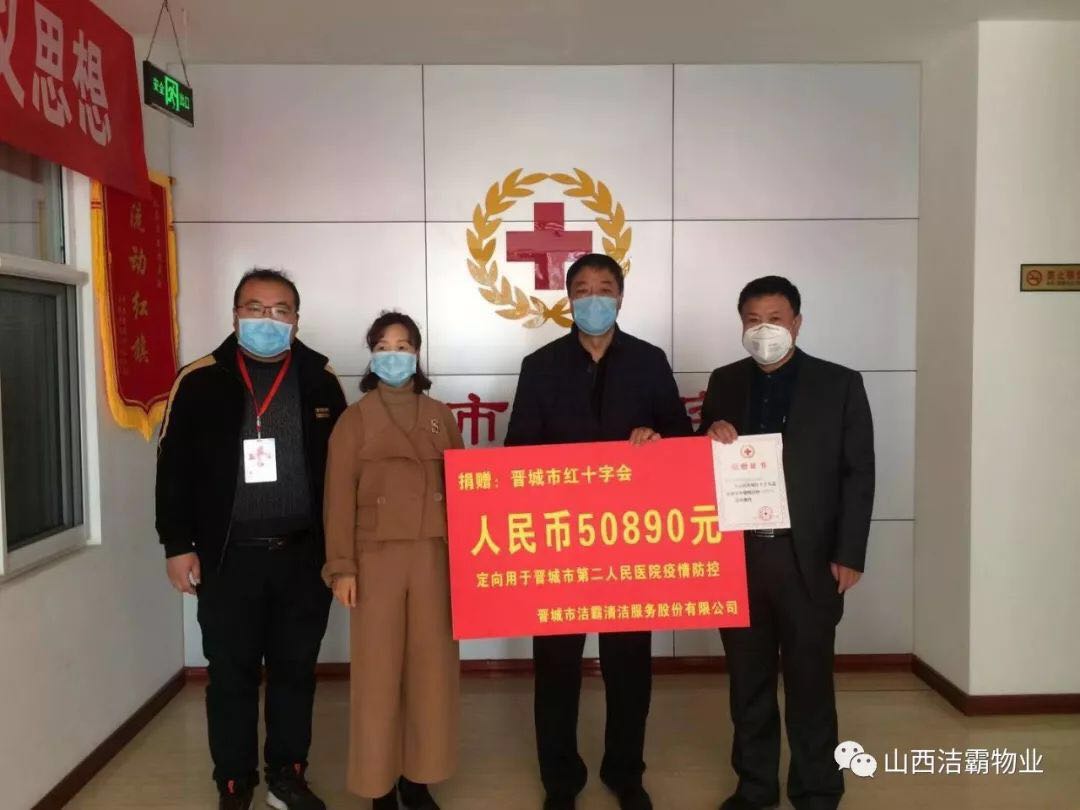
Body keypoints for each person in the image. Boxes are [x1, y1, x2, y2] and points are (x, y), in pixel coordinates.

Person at [505, 253, 693, 810]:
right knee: (556, 670)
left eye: (604, 288)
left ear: (620, 297)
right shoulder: (540, 365)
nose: (593, 299)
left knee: (629, 667)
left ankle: (625, 772)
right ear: (568, 299)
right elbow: (516, 453)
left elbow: (681, 440)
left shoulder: (649, 361)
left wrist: (655, 440)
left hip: (629, 541)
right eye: (582, 289)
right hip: (559, 542)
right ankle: (560, 781)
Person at [156, 268, 346, 810]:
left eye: (281, 310)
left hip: (302, 556)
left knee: (295, 672)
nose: (268, 319)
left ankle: (287, 774)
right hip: (227, 558)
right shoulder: (200, 380)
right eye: (256, 308)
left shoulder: (320, 379)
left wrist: (341, 552)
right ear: (235, 315)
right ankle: (235, 781)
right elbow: (172, 469)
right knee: (231, 675)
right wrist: (177, 544)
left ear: (297, 320)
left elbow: (344, 472)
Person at [700, 276, 875, 810]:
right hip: (740, 556)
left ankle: (817, 787)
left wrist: (849, 553)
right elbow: (702, 465)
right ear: (741, 325)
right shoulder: (725, 381)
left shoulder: (839, 383)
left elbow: (858, 473)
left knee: (810, 680)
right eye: (753, 320)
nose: (764, 330)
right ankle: (755, 786)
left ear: (797, 323)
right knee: (747, 681)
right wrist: (709, 436)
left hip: (810, 558)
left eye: (775, 319)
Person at [322, 312, 463, 810]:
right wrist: (341, 567)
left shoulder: (440, 415)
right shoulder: (354, 420)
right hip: (375, 560)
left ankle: (419, 779)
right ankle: (379, 784)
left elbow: (465, 492)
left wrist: (470, 565)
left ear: (417, 354)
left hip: (435, 557)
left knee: (432, 672)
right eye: (383, 347)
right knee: (377, 676)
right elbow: (338, 498)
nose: (393, 356)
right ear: (371, 355)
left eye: (403, 346)